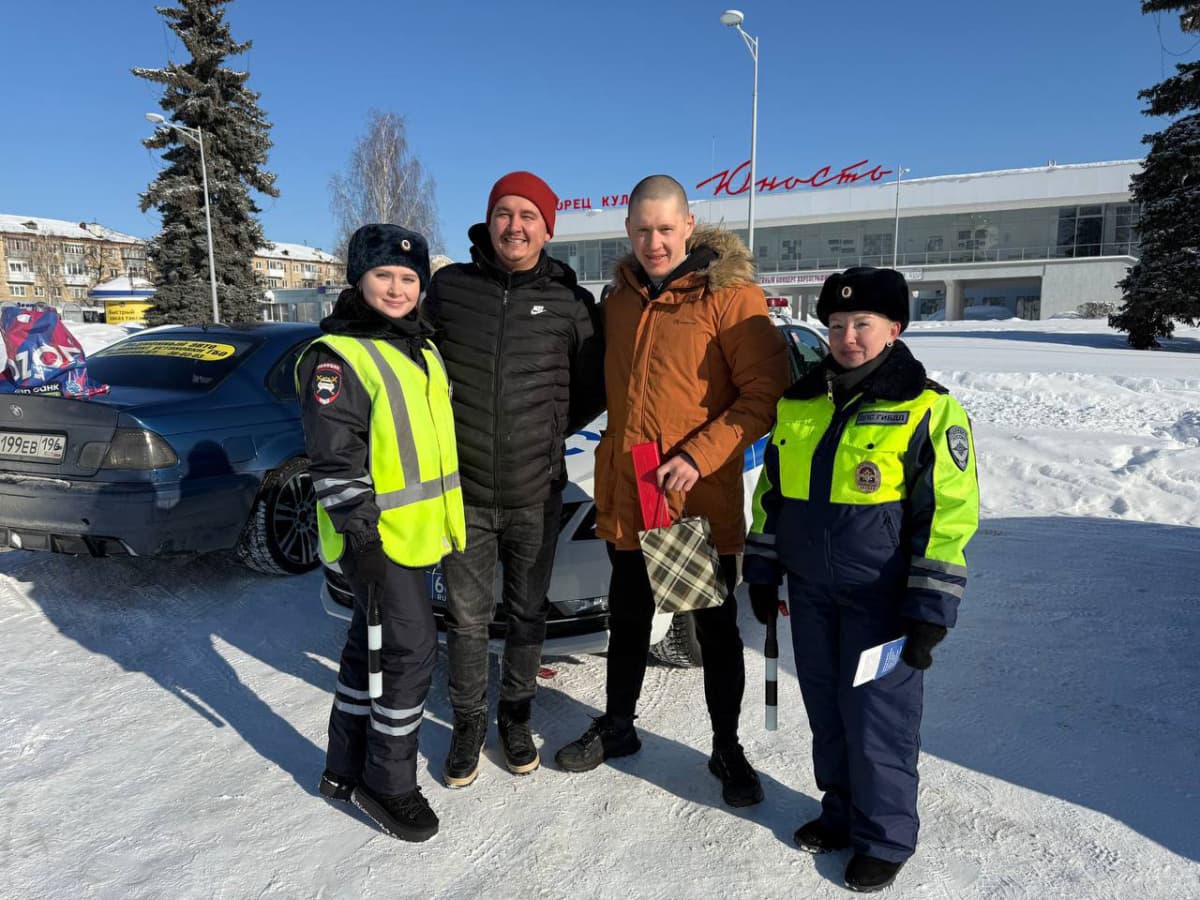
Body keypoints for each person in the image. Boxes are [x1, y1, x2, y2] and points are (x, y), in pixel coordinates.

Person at [554, 175, 789, 808]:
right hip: (632, 491)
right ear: (627, 232)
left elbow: (763, 398)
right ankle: (619, 725)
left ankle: (727, 748)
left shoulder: (730, 296)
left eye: (664, 228)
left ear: (689, 226)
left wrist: (698, 454)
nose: (653, 242)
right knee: (628, 619)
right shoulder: (620, 298)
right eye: (641, 230)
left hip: (690, 496)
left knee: (713, 629)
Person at [743, 267, 980, 892]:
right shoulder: (799, 404)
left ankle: (886, 836)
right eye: (838, 325)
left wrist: (930, 605)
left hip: (883, 602)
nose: (848, 337)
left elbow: (949, 514)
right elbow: (772, 493)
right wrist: (764, 568)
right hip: (813, 595)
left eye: (862, 325)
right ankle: (841, 811)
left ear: (893, 329)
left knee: (878, 714)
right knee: (827, 707)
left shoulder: (928, 408)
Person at [423, 171, 604, 788]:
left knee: (528, 613)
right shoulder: (449, 289)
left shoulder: (570, 304)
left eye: (529, 215)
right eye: (505, 212)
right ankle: (469, 721)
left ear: (547, 228)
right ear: (488, 220)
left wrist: (544, 429)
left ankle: (515, 715)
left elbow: (591, 388)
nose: (515, 225)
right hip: (464, 490)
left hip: (535, 491)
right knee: (467, 620)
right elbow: (405, 347)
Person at [297, 224, 465, 842]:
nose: (396, 288)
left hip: (415, 537)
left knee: (363, 652)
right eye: (383, 276)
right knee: (409, 655)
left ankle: (342, 767)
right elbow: (335, 462)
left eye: (408, 278)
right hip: (377, 541)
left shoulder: (418, 347)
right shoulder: (338, 357)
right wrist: (361, 540)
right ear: (358, 280)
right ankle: (387, 783)